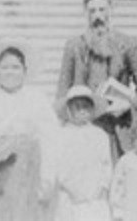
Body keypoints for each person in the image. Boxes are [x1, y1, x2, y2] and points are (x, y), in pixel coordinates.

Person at [56, 0, 137, 159]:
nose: (97, 17)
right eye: (92, 11)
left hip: (118, 131)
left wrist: (130, 104)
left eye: (102, 10)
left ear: (111, 10)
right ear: (85, 14)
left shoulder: (127, 45)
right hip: (84, 131)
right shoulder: (74, 47)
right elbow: (62, 94)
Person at [0, 41, 58, 220]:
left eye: (16, 67)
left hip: (28, 173)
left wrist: (47, 177)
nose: (10, 72)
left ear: (25, 70)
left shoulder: (37, 99)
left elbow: (51, 139)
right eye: (5, 67)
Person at [46, 85, 112, 221]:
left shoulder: (100, 135)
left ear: (92, 110)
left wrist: (102, 186)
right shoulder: (61, 135)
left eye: (86, 107)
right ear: (69, 110)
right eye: (77, 107)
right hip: (70, 196)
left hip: (95, 195)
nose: (82, 111)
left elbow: (106, 164)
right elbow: (58, 167)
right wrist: (72, 188)